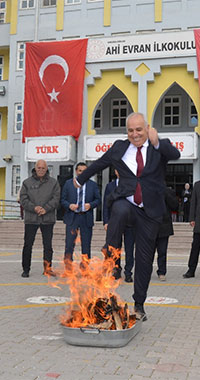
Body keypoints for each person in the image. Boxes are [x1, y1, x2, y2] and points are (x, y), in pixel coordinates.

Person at [75, 112, 181, 321]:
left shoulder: (158, 146)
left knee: (144, 260)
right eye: (131, 130)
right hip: (127, 202)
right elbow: (100, 163)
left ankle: (139, 304)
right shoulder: (119, 147)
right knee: (120, 209)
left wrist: (157, 141)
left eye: (139, 130)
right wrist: (80, 179)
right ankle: (110, 256)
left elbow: (175, 154)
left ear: (147, 128)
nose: (135, 134)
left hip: (150, 212)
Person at [19, 160, 60, 278]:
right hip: (31, 219)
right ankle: (26, 269)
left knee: (48, 246)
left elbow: (56, 199)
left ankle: (47, 269)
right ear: (35, 168)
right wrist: (34, 208)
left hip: (48, 219)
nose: (41, 170)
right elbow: (23, 199)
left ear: (46, 169)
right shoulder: (27, 183)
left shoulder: (54, 183)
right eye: (39, 168)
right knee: (28, 245)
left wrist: (46, 209)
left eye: (43, 168)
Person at [60, 162, 101, 266]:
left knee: (86, 245)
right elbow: (62, 199)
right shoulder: (69, 184)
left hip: (86, 218)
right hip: (72, 218)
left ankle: (85, 268)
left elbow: (98, 200)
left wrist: (90, 205)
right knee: (69, 244)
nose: (82, 173)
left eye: (85, 171)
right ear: (76, 171)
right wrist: (69, 205)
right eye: (80, 171)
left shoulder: (93, 185)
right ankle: (68, 267)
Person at [103, 169, 135, 283]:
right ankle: (116, 270)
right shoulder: (110, 186)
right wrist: (106, 221)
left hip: (130, 223)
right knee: (115, 248)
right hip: (114, 222)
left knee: (130, 248)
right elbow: (106, 204)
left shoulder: (133, 184)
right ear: (116, 171)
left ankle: (128, 273)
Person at [154, 187, 179, 281]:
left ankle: (162, 272)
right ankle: (146, 272)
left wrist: (165, 192)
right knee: (148, 253)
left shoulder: (167, 191)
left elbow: (175, 205)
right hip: (149, 226)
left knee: (162, 252)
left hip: (164, 226)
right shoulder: (146, 189)